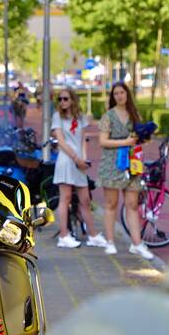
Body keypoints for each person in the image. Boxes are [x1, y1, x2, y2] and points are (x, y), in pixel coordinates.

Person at [97, 82, 155, 260]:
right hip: (112, 163)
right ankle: (110, 241)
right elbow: (103, 141)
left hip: (132, 163)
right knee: (111, 204)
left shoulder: (134, 114)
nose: (119, 96)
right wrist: (125, 142)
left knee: (132, 204)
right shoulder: (108, 116)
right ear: (113, 97)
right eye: (116, 94)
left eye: (122, 93)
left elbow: (142, 141)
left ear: (127, 94)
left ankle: (137, 243)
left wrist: (143, 137)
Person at [51, 88, 107, 249]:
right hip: (66, 160)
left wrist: (84, 159)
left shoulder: (81, 118)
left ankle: (93, 235)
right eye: (60, 99)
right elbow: (61, 142)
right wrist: (76, 159)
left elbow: (82, 140)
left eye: (65, 99)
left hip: (78, 162)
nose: (62, 102)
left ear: (73, 100)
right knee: (66, 198)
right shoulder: (57, 118)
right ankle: (64, 235)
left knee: (85, 200)